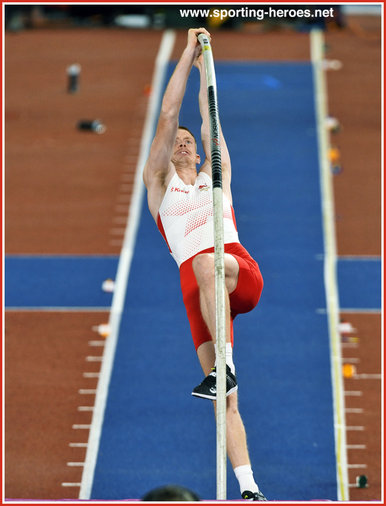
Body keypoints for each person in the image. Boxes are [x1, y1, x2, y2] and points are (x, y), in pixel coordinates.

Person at [143, 28, 266, 501]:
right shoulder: (160, 188)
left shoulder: (217, 176)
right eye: (175, 141)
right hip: (199, 294)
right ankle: (250, 488)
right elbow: (169, 114)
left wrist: (205, 67)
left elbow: (208, 113)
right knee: (225, 404)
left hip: (236, 269)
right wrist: (186, 54)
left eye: (188, 141)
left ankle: (225, 367)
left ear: (197, 150)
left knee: (206, 263)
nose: (180, 142)